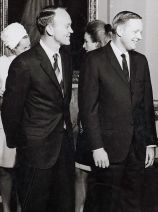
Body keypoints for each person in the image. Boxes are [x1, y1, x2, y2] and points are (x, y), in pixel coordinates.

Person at [78, 11, 157, 212]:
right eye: (136, 31)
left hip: (137, 149)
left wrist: (149, 143)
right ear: (120, 31)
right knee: (103, 204)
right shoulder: (94, 60)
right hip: (107, 149)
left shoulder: (141, 61)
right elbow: (89, 109)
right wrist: (96, 147)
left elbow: (146, 105)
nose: (140, 36)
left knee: (132, 203)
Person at [1, 6, 75, 212]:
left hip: (64, 150)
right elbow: (10, 111)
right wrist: (25, 145)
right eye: (67, 25)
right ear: (50, 29)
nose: (72, 30)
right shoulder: (25, 63)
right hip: (35, 154)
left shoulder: (66, 59)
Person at [75, 20, 112, 212]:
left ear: (97, 44)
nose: (83, 46)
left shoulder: (91, 63)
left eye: (86, 42)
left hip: (93, 131)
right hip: (99, 131)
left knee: (83, 174)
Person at [0, 22, 30, 212]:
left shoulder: (29, 64)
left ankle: (21, 207)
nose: (28, 51)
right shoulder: (1, 64)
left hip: (25, 123)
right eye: (24, 48)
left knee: (23, 169)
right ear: (13, 47)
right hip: (3, 124)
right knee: (5, 168)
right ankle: (5, 207)